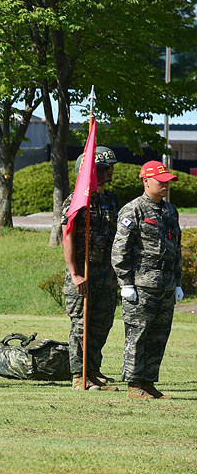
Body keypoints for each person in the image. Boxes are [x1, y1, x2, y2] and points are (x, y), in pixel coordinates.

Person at [111, 160, 182, 400]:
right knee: (138, 335)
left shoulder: (170, 211)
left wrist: (178, 282)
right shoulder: (133, 210)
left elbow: (176, 248)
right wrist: (126, 283)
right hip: (141, 285)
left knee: (158, 335)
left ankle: (149, 382)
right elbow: (120, 250)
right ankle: (134, 385)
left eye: (168, 182)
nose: (165, 186)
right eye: (161, 182)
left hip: (166, 284)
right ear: (146, 181)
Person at [61, 146, 120, 391]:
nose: (108, 172)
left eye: (110, 167)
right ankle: (79, 376)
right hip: (83, 273)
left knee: (101, 323)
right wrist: (75, 273)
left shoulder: (108, 201)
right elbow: (67, 236)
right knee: (81, 326)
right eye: (102, 168)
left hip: (104, 274)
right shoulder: (76, 200)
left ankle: (93, 370)